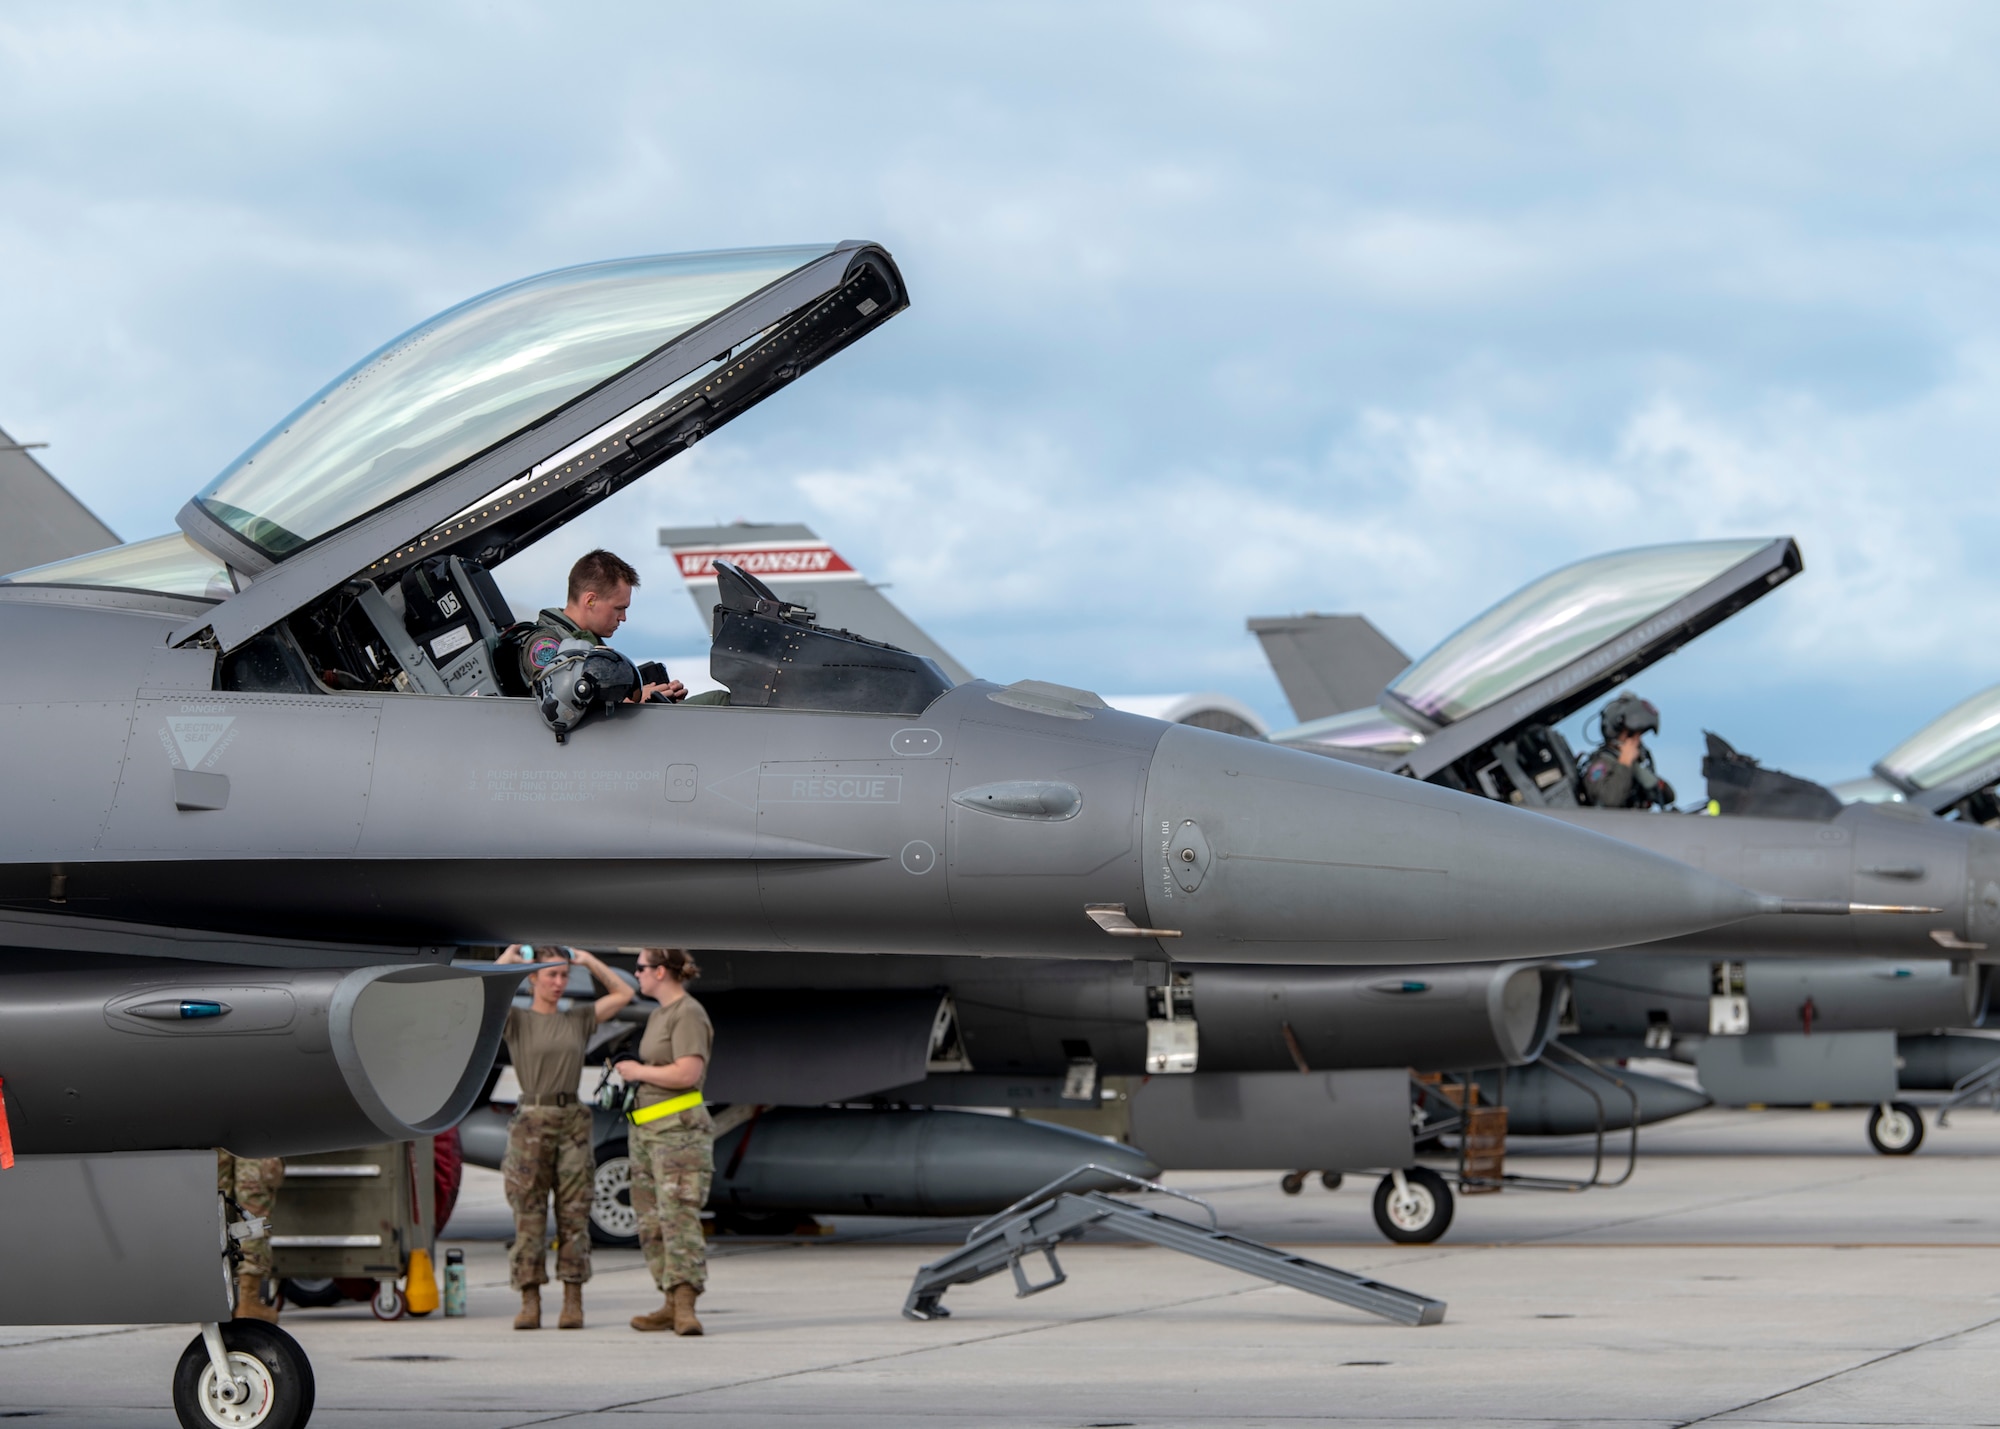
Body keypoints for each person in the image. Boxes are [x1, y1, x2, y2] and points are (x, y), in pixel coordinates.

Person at [495, 943, 636, 1330]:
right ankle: (529, 1299)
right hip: (531, 1119)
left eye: (562, 975)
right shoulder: (517, 1020)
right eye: (550, 975)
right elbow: (478, 997)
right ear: (534, 980)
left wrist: (588, 961)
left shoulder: (577, 1019)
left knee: (574, 1213)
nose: (558, 982)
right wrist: (508, 962)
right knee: (529, 1213)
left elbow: (624, 995)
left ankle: (573, 1298)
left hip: (572, 1118)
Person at [614, 947, 714, 1336]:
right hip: (647, 1131)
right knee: (651, 1220)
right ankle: (670, 1301)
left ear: (660, 971)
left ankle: (686, 1304)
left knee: (678, 1217)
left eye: (639, 968)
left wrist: (638, 1070)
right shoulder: (659, 1015)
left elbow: (688, 1072)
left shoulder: (687, 1013)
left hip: (678, 1133)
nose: (635, 974)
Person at [519, 549, 686, 703]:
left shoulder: (588, 643)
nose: (623, 618)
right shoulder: (546, 644)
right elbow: (555, 706)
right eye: (618, 608)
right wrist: (634, 702)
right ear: (590, 600)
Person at [216, 1149, 284, 1322]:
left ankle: (218, 1299)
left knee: (214, 1206)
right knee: (252, 1211)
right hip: (252, 1129)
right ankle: (249, 1300)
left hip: (209, 1127)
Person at [1579, 693, 1677, 809]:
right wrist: (1625, 763)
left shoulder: (1635, 765)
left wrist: (1644, 776)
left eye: (1639, 735)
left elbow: (1668, 796)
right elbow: (1608, 802)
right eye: (1631, 735)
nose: (1637, 741)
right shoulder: (1600, 765)